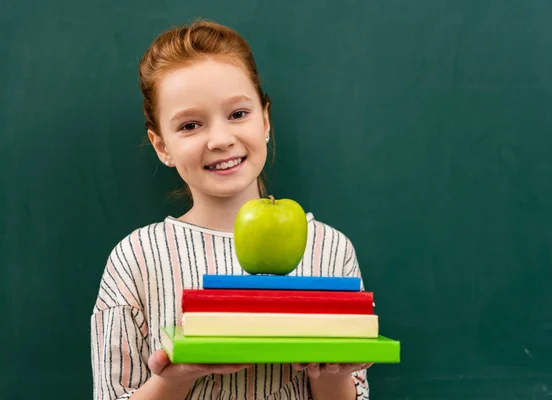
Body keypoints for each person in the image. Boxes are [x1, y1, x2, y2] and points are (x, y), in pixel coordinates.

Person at [90, 19, 371, 400]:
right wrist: (174, 379)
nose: (221, 140)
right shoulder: (137, 259)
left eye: (238, 114)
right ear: (162, 146)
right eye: (190, 125)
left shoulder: (330, 251)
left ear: (266, 120)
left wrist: (330, 373)